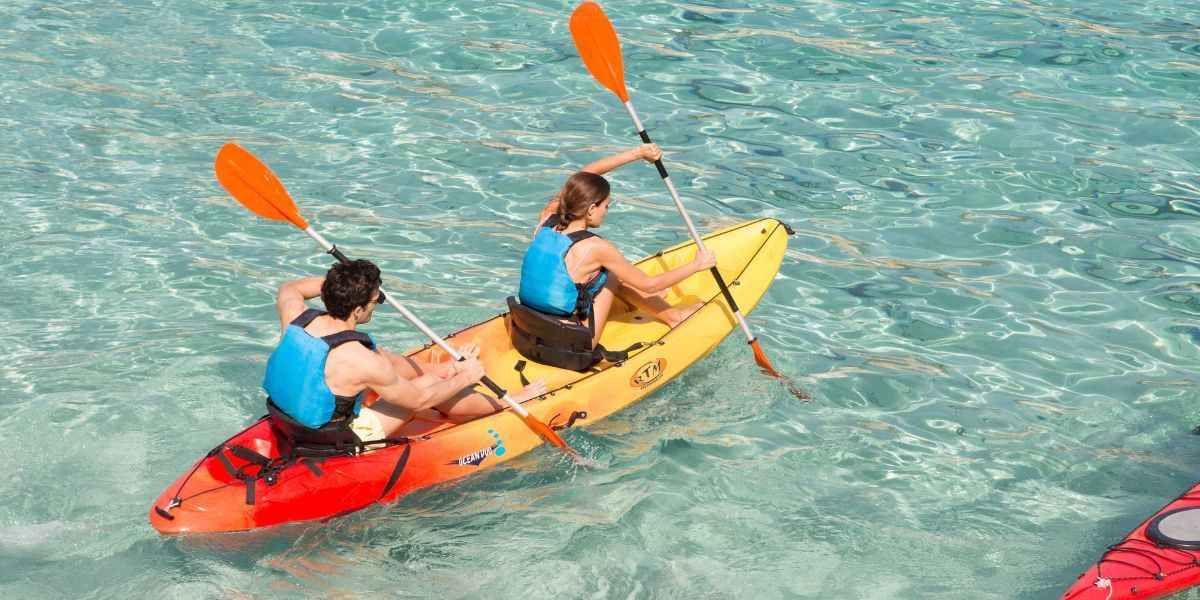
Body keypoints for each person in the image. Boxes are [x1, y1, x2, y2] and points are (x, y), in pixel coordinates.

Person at [263, 259, 546, 447]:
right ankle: (511, 401)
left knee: (382, 354)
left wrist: (347, 282)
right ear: (358, 309)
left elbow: (290, 287)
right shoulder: (363, 362)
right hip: (333, 439)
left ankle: (447, 369)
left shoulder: (295, 314)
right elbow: (421, 399)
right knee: (430, 385)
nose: (377, 305)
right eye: (374, 300)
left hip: (285, 420)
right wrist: (466, 376)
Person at [516, 143, 717, 350]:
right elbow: (649, 285)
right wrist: (697, 265)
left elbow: (583, 176)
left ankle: (641, 302)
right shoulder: (595, 247)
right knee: (611, 272)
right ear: (591, 209)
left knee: (597, 273)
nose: (606, 211)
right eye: (606, 206)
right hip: (570, 345)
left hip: (527, 328)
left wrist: (637, 153)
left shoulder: (546, 218)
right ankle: (674, 316)